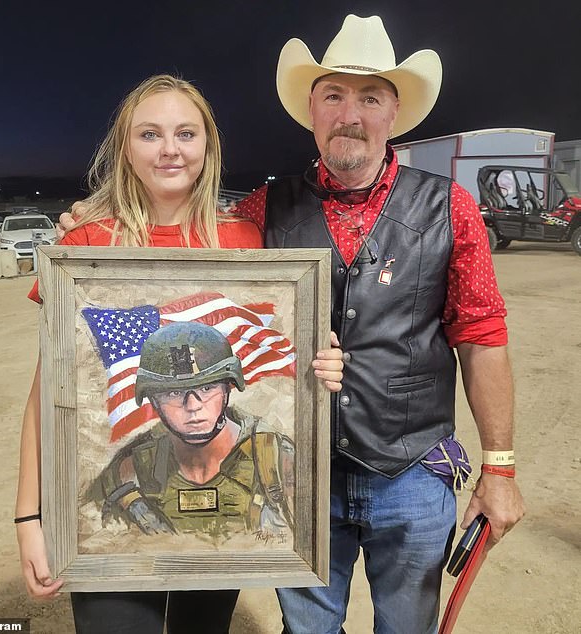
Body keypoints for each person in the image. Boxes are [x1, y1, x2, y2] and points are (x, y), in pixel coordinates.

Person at [59, 16, 526, 632]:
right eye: (333, 95)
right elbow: (181, 249)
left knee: (408, 625)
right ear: (312, 108)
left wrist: (500, 469)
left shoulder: (451, 209)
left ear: (394, 112)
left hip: (410, 473)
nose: (350, 113)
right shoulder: (262, 209)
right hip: (297, 474)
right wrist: (96, 222)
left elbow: (483, 337)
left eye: (370, 97)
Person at [16, 74, 343, 634]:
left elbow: (283, 333)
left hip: (214, 505)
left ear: (208, 147)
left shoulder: (246, 239)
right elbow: (49, 391)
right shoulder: (86, 245)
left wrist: (320, 351)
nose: (169, 149)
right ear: (126, 148)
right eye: (150, 134)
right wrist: (29, 515)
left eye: (185, 133)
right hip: (116, 512)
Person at [96, 321, 294, 540]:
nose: (193, 406)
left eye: (207, 388)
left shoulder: (276, 459)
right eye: (173, 393)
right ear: (153, 401)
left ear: (227, 389)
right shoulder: (128, 471)